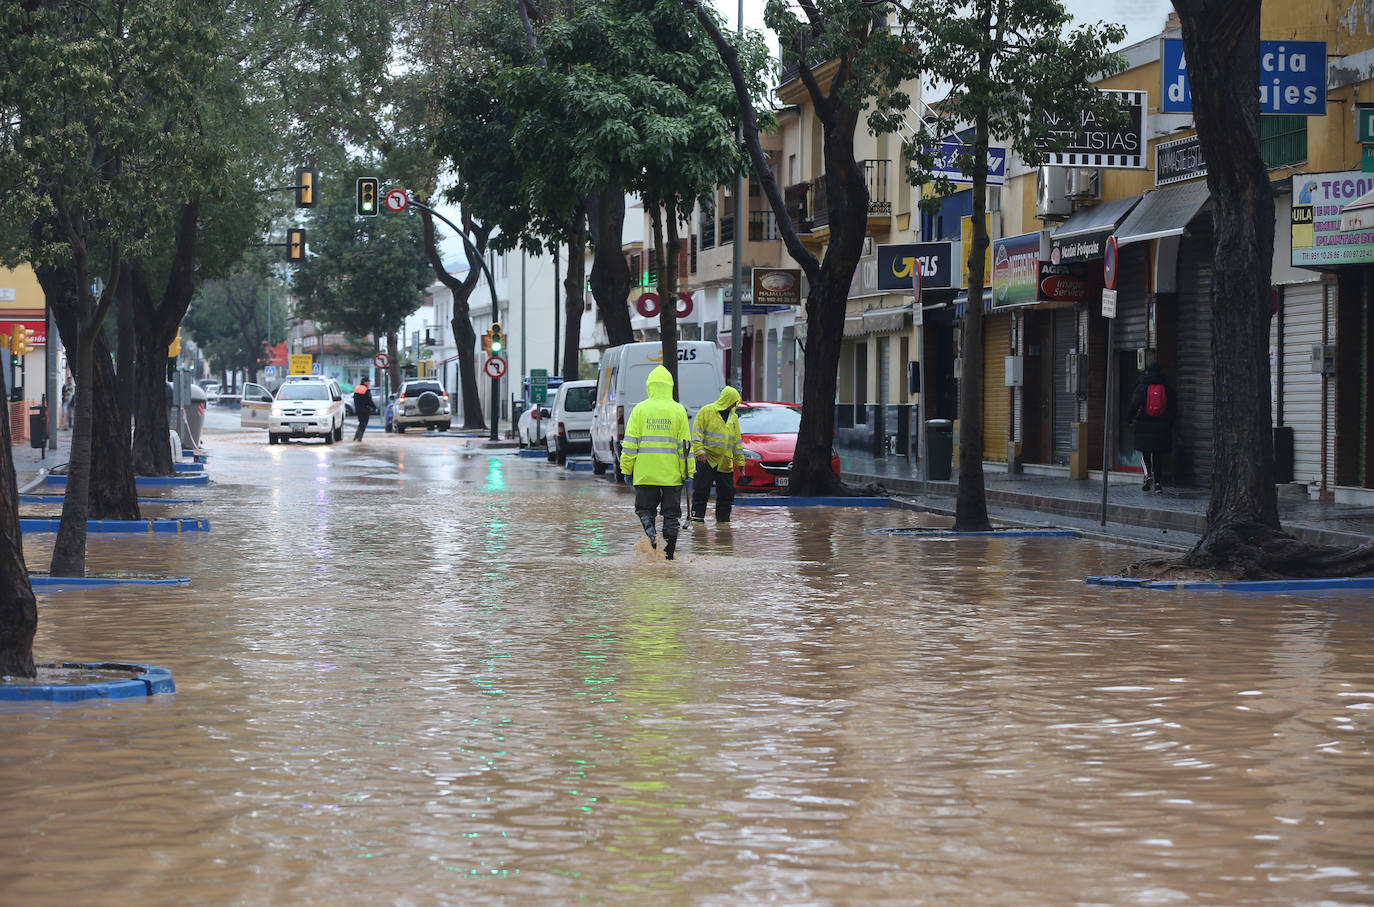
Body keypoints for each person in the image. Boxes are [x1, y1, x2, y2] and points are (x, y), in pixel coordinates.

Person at [619, 365, 694, 560]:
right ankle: (669, 557)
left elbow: (630, 445)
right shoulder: (679, 411)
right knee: (671, 516)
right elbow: (685, 447)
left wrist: (627, 469)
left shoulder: (640, 410)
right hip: (672, 476)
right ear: (669, 386)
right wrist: (688, 473)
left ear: (649, 386)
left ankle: (651, 537)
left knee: (645, 510)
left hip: (645, 474)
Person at [690, 385, 745, 525]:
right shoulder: (706, 411)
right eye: (733, 401)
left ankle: (723, 522)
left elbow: (737, 442)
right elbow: (697, 433)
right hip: (706, 459)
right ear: (727, 399)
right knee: (701, 490)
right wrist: (699, 452)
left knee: (727, 493)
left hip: (725, 462)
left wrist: (740, 463)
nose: (735, 404)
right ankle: (697, 519)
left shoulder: (733, 417)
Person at [1126, 361, 1176, 493]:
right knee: (1158, 455)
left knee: (1145, 452)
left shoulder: (1142, 387)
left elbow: (1134, 405)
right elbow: (1174, 409)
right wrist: (1169, 424)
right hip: (1162, 427)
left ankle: (1148, 474)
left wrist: (1129, 419)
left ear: (1147, 372)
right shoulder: (1167, 388)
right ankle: (1158, 484)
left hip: (1144, 425)